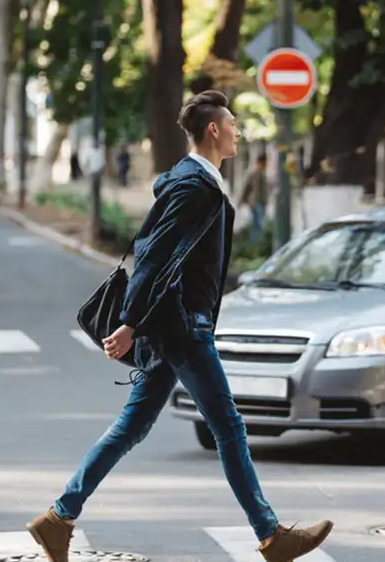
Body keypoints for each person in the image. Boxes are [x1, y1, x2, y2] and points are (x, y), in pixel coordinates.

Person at [24, 90, 334, 562]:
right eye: (232, 123)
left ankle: (58, 518)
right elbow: (154, 256)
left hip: (175, 324)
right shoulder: (194, 186)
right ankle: (271, 535)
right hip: (183, 327)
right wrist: (130, 322)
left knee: (132, 427)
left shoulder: (197, 181)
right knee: (228, 426)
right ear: (214, 130)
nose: (237, 130)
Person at [239, 153, 268, 243]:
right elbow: (246, 187)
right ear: (260, 162)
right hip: (255, 203)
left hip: (262, 203)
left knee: (258, 223)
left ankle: (257, 243)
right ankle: (254, 243)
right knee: (257, 224)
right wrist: (241, 201)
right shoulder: (252, 173)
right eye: (264, 163)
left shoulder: (263, 173)